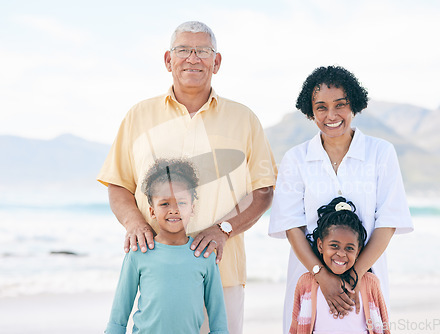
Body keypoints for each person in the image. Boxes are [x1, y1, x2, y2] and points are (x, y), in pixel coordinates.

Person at [98, 21, 276, 334]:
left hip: (223, 272)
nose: (192, 58)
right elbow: (118, 184)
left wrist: (223, 229)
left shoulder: (244, 119)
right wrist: (135, 223)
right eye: (183, 50)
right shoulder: (138, 116)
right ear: (168, 60)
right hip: (156, 273)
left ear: (216, 62)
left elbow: (263, 191)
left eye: (203, 51)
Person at [268, 65, 413, 333]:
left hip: (366, 282)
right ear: (310, 111)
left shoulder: (381, 153)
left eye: (340, 105)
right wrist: (322, 277)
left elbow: (388, 222)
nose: (331, 115)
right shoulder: (296, 159)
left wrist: (354, 277)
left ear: (354, 106)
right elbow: (291, 226)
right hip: (308, 282)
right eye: (321, 107)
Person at [105, 158, 228, 334]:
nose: (174, 209)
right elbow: (119, 312)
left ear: (192, 208)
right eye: (164, 203)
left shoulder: (204, 254)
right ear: (152, 211)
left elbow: (218, 321)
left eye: (182, 202)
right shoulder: (139, 253)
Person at [289, 197, 390, 334]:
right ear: (320, 245)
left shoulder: (370, 283)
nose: (341, 254)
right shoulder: (306, 282)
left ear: (358, 251)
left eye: (349, 248)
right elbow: (296, 327)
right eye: (334, 246)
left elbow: (383, 326)